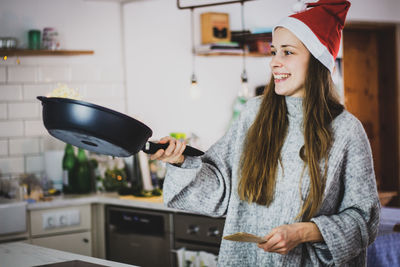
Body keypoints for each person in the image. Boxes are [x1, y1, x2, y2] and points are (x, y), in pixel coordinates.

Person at [150, 0, 380, 266]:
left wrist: (304, 232)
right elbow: (220, 187)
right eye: (273, 52)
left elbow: (364, 219)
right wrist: (180, 161)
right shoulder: (253, 114)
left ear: (317, 59)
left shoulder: (345, 130)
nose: (274, 63)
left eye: (287, 52)